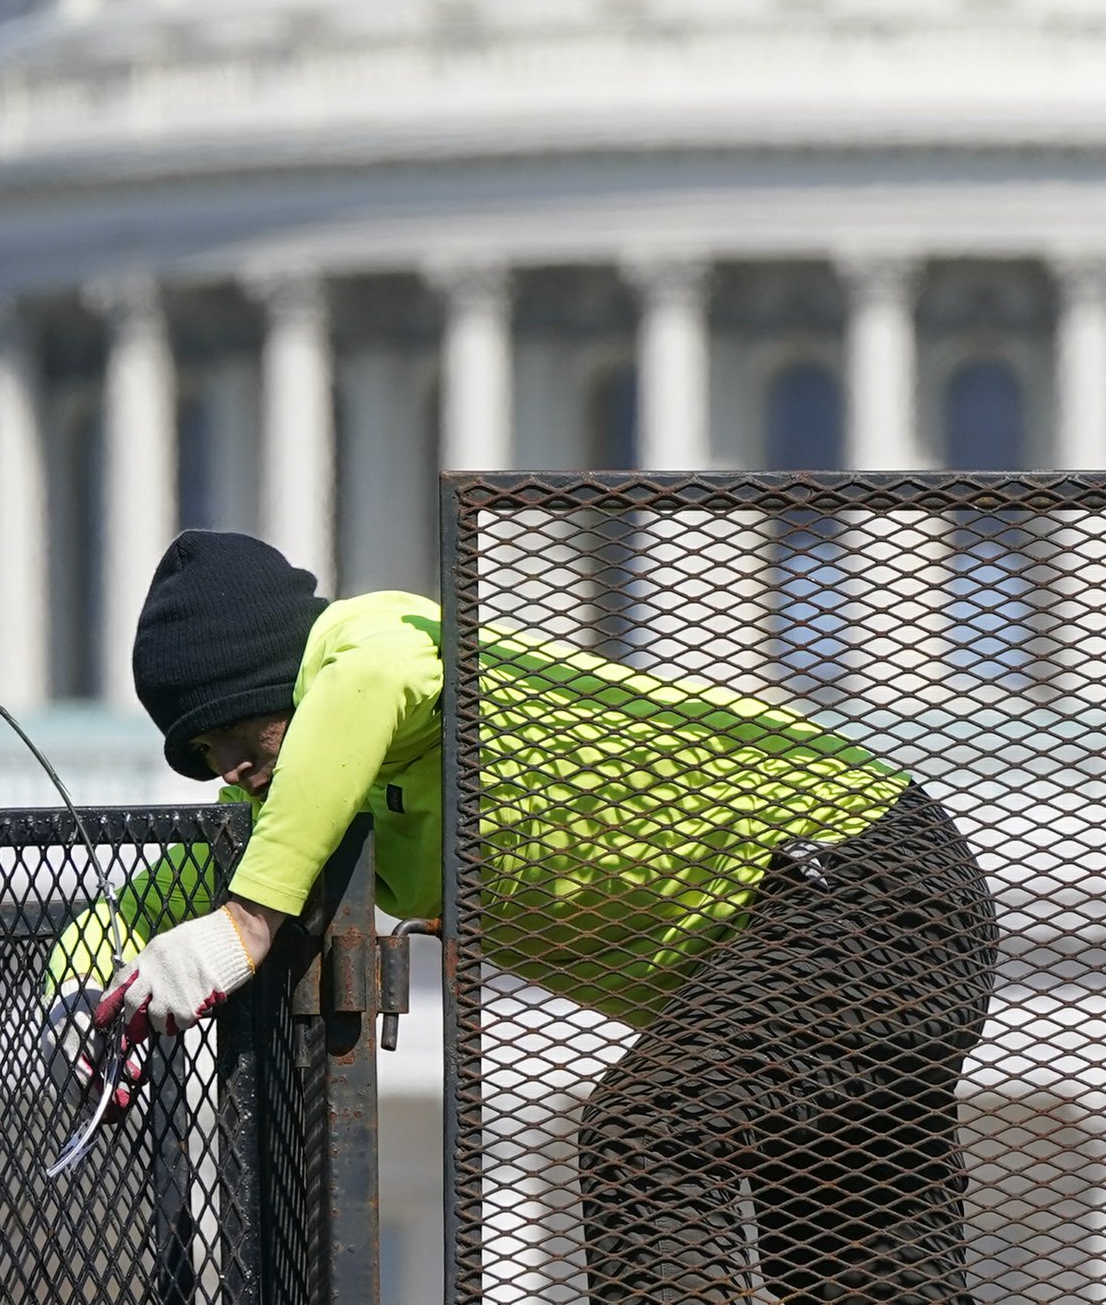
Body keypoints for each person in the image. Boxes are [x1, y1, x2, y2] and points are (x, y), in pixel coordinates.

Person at [56, 530, 1000, 1305]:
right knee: (851, 1264)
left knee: (648, 1136)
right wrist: (81, 994)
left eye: (230, 734)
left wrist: (248, 926)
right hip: (822, 930)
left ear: (276, 683)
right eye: (201, 753)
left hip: (862, 883)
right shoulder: (288, 808)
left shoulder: (372, 644)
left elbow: (369, 683)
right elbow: (150, 898)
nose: (227, 769)